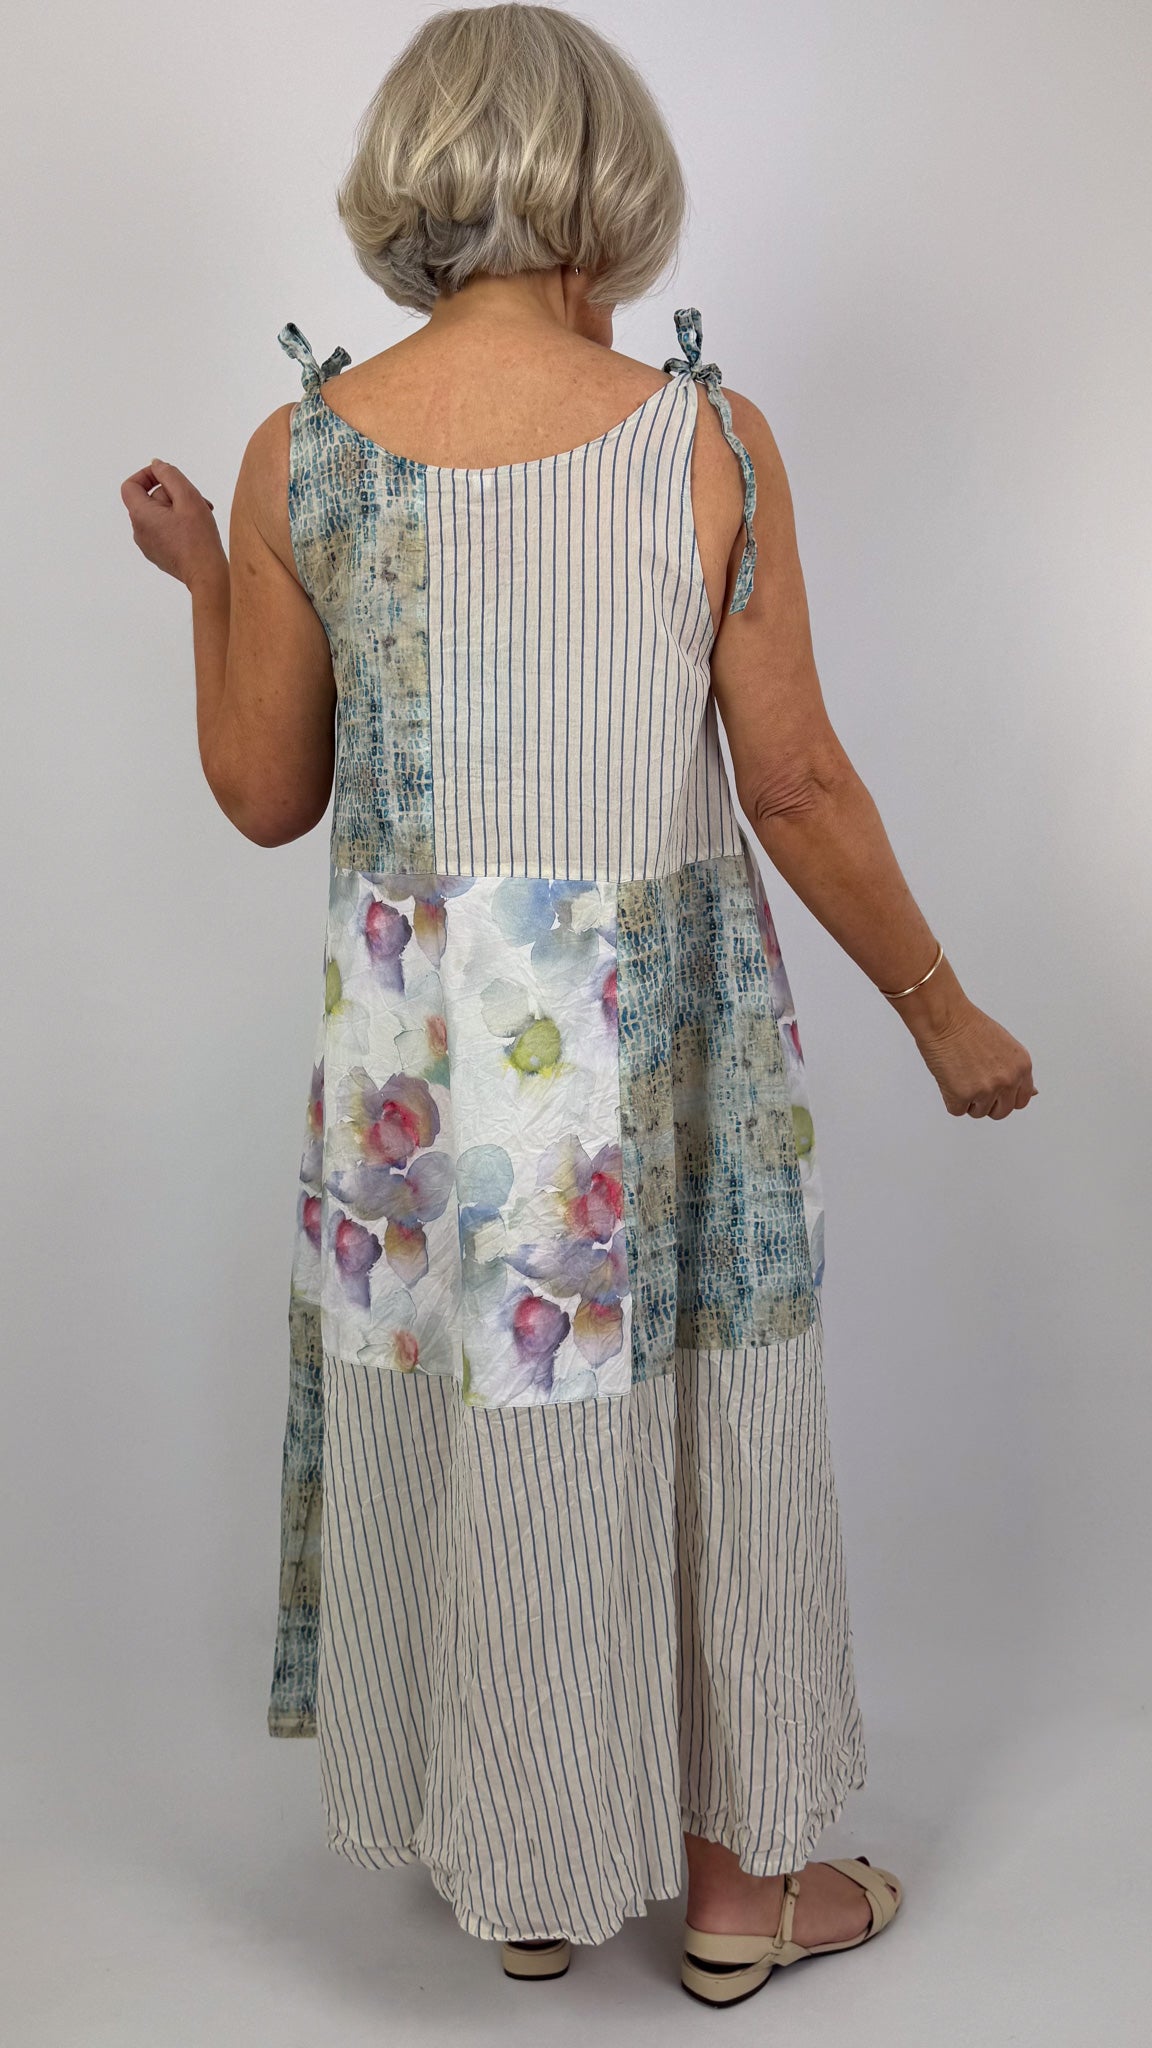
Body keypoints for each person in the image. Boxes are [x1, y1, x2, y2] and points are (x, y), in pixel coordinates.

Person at [120, 2, 1036, 2008]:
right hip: (654, 1051)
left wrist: (210, 583)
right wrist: (940, 1005)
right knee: (695, 1421)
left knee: (486, 1415)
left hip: (428, 1079)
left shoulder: (302, 449)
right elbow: (798, 784)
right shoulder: (701, 436)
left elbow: (267, 794)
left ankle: (522, 1870)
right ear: (604, 182)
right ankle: (733, 1891)